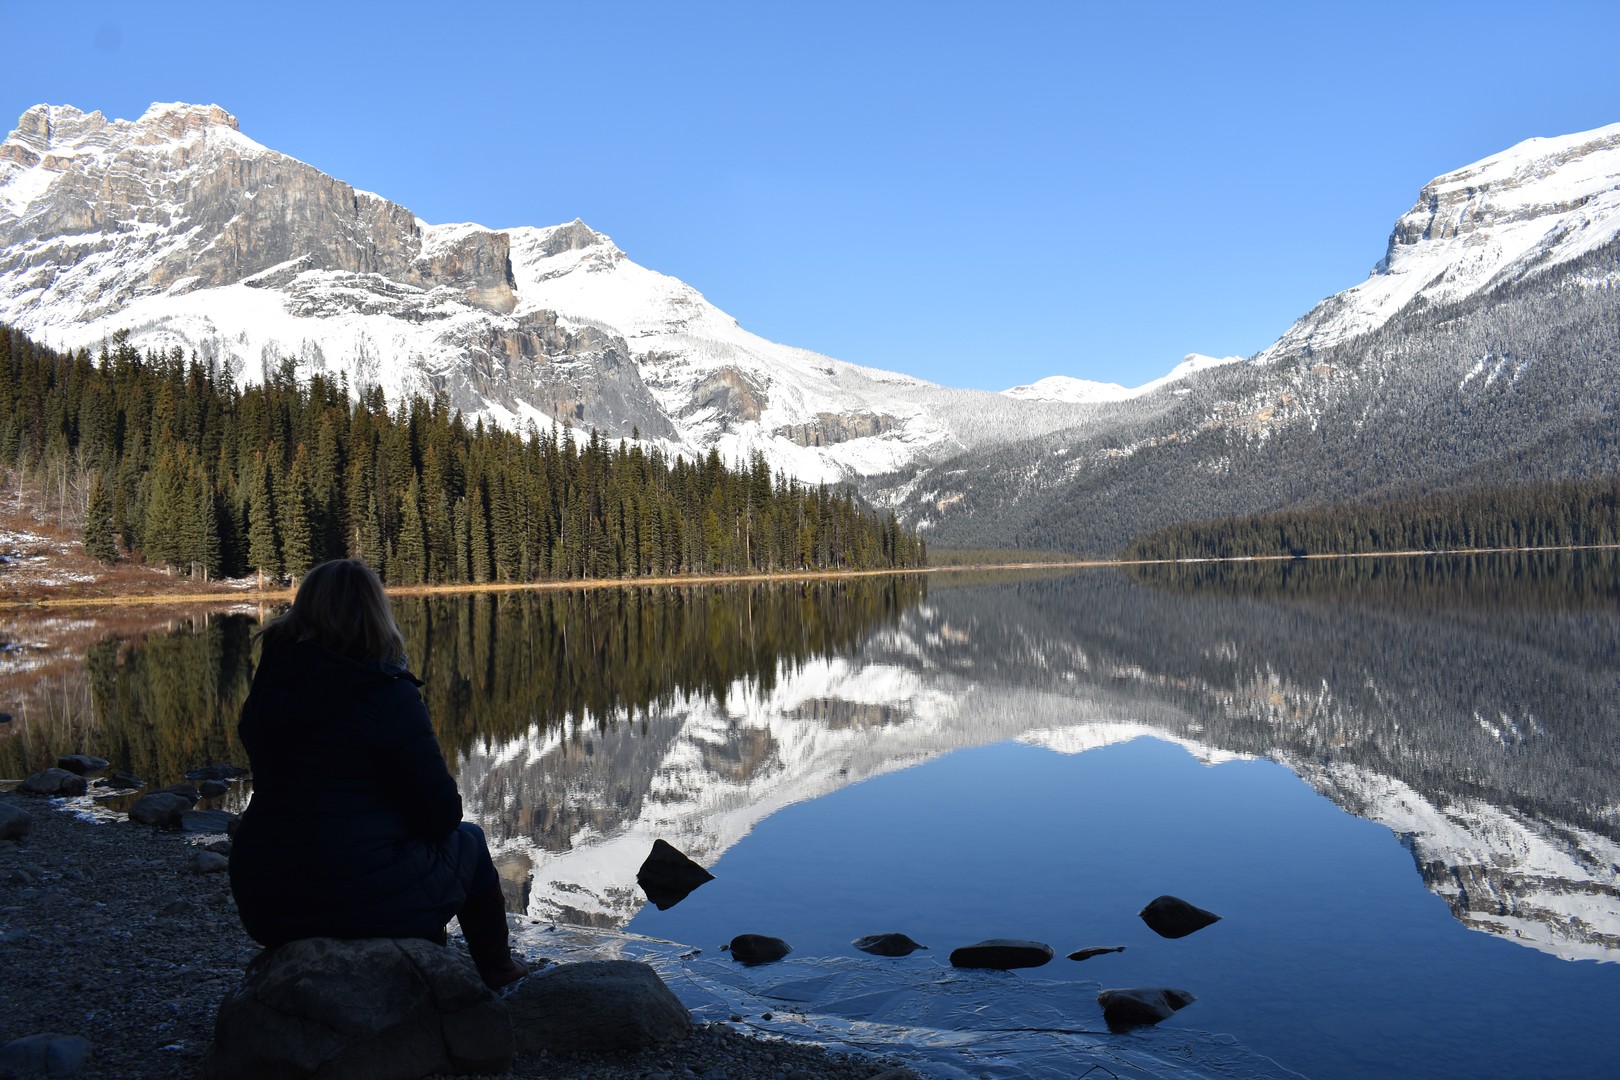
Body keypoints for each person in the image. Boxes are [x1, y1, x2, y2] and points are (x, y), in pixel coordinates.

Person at [227, 557, 528, 991]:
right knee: (470, 842)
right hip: (351, 897)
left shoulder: (269, 690)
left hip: (265, 900)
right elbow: (441, 815)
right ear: (374, 614)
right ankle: (497, 970)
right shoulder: (385, 694)